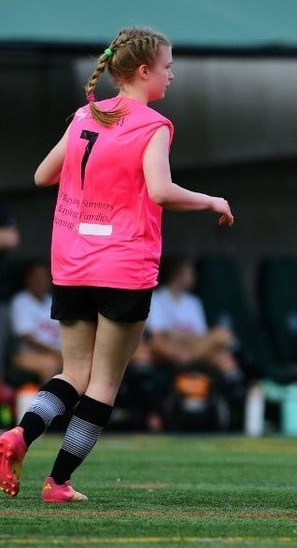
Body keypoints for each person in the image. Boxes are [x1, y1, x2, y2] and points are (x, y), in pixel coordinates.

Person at [0, 26, 234, 502]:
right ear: (144, 72)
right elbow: (161, 191)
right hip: (123, 264)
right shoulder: (154, 125)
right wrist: (212, 200)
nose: (171, 75)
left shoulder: (86, 115)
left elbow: (44, 175)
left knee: (73, 372)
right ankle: (58, 481)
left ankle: (19, 435)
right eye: (167, 67)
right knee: (104, 381)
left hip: (70, 259)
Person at [144, 257, 243, 392]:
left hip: (193, 347)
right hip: (168, 352)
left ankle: (236, 394)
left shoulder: (193, 302)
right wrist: (181, 336)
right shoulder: (157, 298)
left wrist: (178, 334)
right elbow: (158, 335)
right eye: (189, 272)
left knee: (222, 352)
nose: (194, 276)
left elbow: (200, 335)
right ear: (176, 274)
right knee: (220, 337)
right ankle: (241, 357)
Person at [8, 261, 62, 383]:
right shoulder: (21, 301)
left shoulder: (51, 301)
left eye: (44, 277)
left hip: (56, 353)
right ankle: (43, 402)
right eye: (36, 277)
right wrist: (55, 352)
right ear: (28, 279)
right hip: (26, 355)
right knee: (50, 365)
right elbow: (27, 338)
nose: (40, 281)